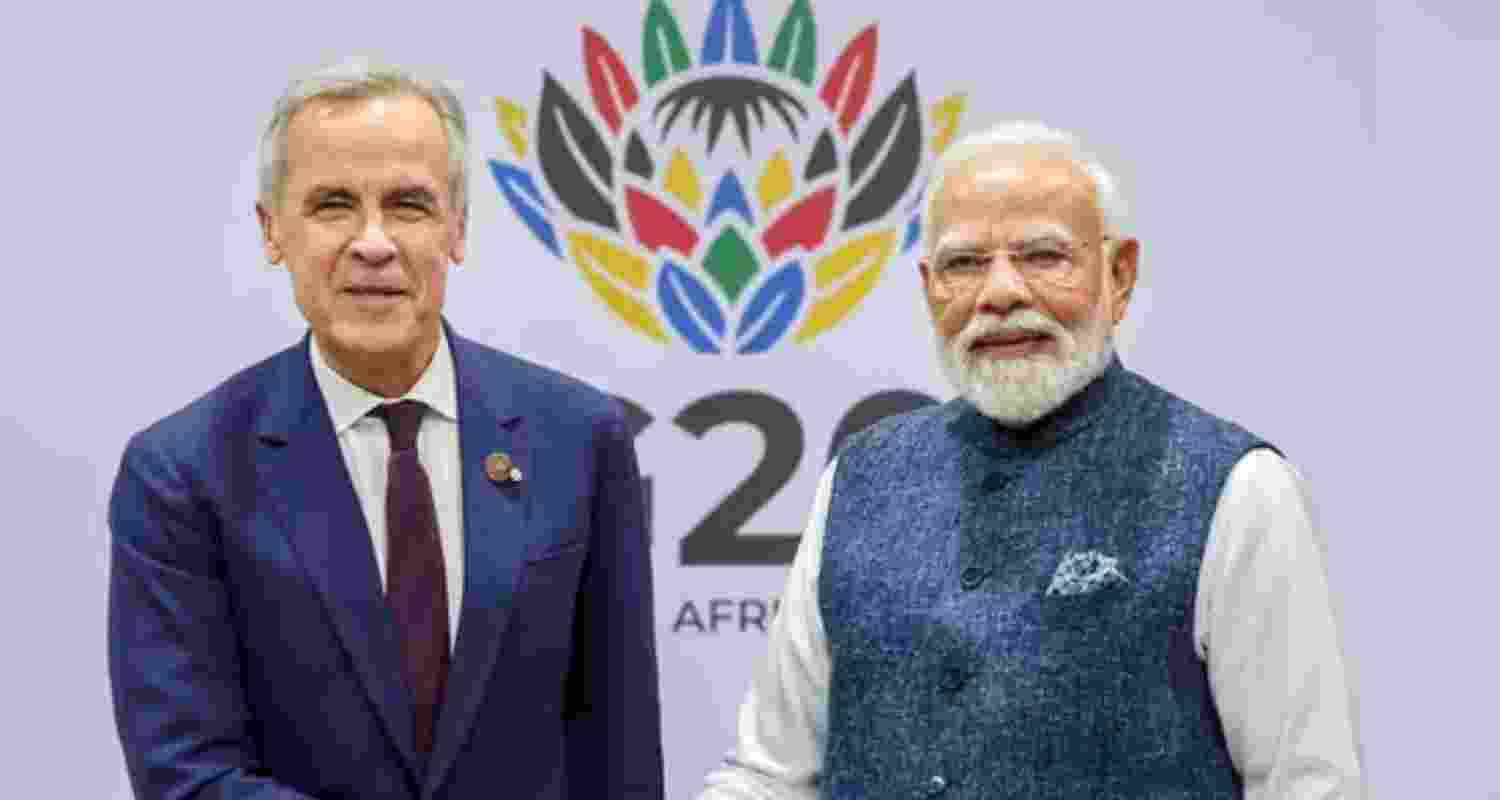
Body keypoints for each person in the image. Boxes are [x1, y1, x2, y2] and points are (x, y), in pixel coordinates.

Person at [700, 122, 1364, 799]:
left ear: (1119, 275)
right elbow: (768, 778)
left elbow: (1308, 785)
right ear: (929, 288)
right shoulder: (858, 479)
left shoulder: (1239, 488)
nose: (1000, 293)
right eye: (964, 264)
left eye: (1043, 256)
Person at [108, 58, 663, 800]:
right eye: (333, 205)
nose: (374, 243)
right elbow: (187, 776)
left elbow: (619, 755)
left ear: (457, 229)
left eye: (408, 205)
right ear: (273, 231)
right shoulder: (184, 473)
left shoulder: (581, 440)